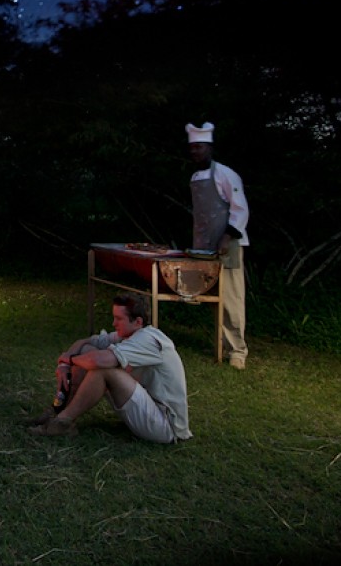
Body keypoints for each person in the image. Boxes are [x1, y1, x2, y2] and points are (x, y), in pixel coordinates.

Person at [28, 293, 191, 442]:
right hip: (146, 409)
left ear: (138, 322)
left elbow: (99, 362)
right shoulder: (129, 334)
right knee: (87, 352)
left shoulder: (148, 339)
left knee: (102, 368)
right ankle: (57, 410)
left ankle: (62, 423)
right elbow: (85, 342)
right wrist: (65, 363)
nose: (114, 323)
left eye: (119, 319)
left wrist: (70, 360)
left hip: (166, 426)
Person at [186, 121, 251, 369]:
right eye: (192, 148)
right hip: (203, 244)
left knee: (232, 297)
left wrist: (227, 236)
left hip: (228, 243)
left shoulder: (225, 174)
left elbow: (240, 208)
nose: (195, 152)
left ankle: (238, 350)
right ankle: (220, 343)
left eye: (199, 147)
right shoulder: (195, 176)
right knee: (214, 296)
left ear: (209, 148)